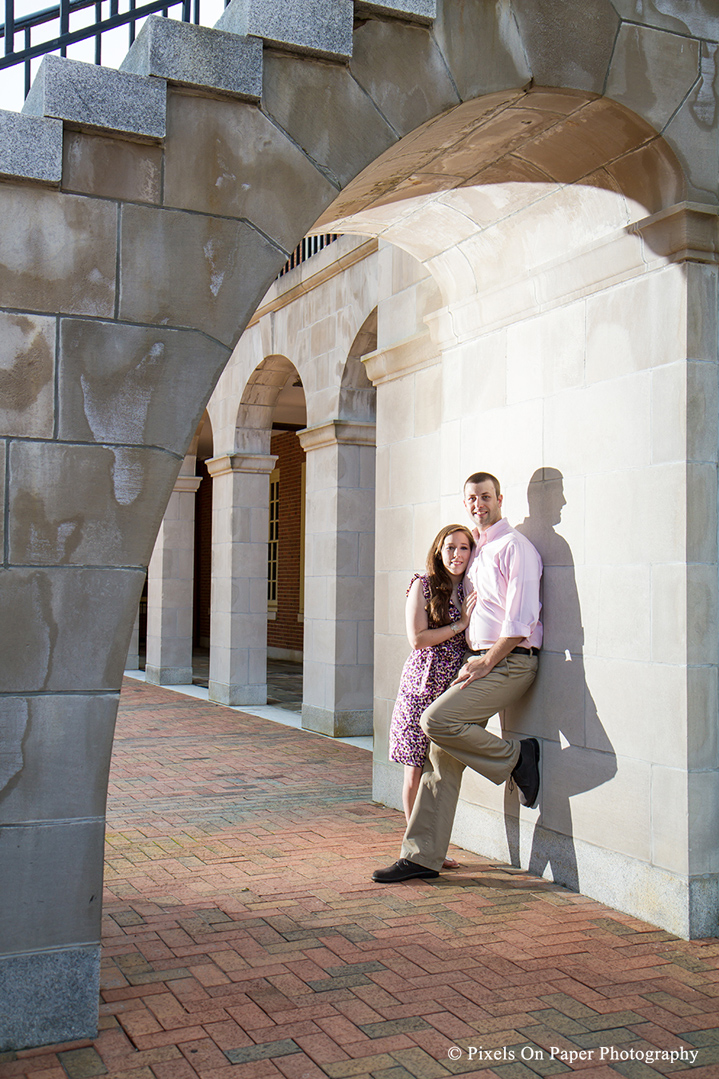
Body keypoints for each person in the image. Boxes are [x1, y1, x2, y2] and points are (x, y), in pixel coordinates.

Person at [373, 471, 543, 883]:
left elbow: (521, 619)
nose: (478, 504)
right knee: (440, 756)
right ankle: (420, 856)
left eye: (486, 497)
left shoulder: (515, 547)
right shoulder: (478, 550)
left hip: (511, 660)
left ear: (500, 498)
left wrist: (488, 660)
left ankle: (519, 757)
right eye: (472, 498)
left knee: (435, 721)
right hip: (479, 659)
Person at [388, 524, 477, 867]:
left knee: (436, 769)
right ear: (439, 551)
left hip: (452, 687)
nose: (457, 555)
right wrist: (460, 623)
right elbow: (417, 638)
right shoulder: (422, 585)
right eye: (450, 548)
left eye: (464, 548)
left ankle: (429, 845)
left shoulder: (470, 588)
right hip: (421, 686)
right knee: (414, 770)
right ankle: (417, 848)